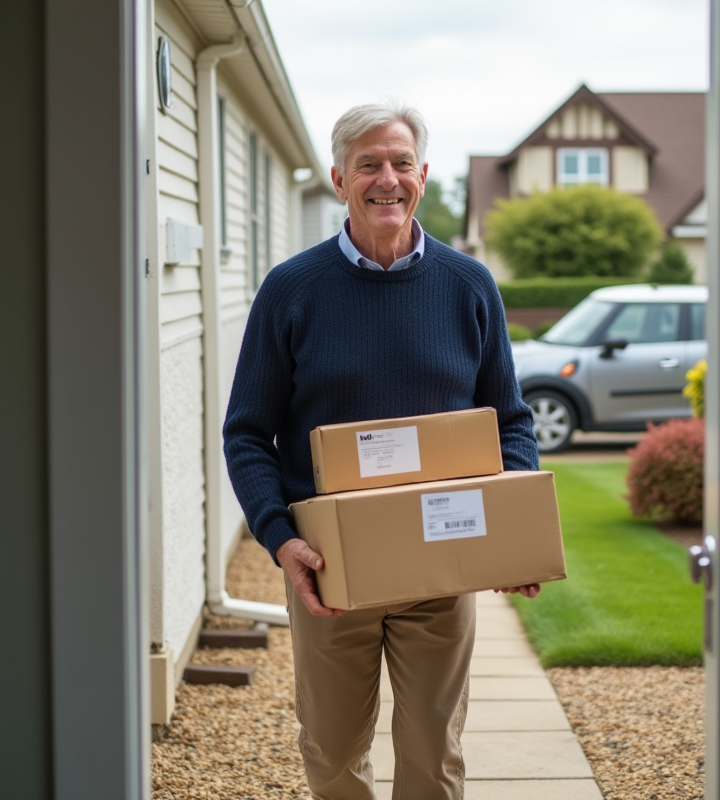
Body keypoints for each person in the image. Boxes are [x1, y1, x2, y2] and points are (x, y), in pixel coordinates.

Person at [222, 101, 541, 800]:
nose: (386, 179)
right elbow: (247, 432)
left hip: (442, 558)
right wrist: (281, 539)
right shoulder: (292, 292)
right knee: (333, 750)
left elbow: (511, 422)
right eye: (368, 164)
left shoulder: (468, 287)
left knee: (434, 755)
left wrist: (512, 534)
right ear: (340, 177)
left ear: (423, 176)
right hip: (332, 569)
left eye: (400, 163)